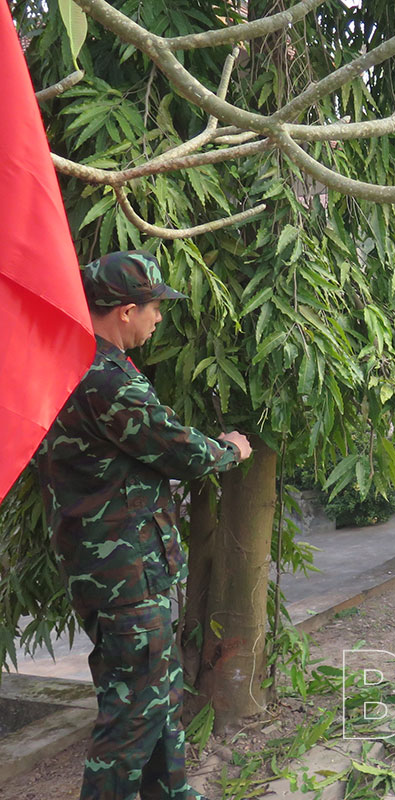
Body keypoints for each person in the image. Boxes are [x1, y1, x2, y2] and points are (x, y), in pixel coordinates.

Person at [36, 250, 253, 800]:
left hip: (112, 567)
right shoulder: (104, 380)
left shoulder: (72, 360)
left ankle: (172, 793)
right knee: (133, 710)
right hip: (124, 571)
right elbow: (178, 449)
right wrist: (227, 449)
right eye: (156, 309)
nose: (160, 320)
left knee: (155, 694)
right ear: (127, 310)